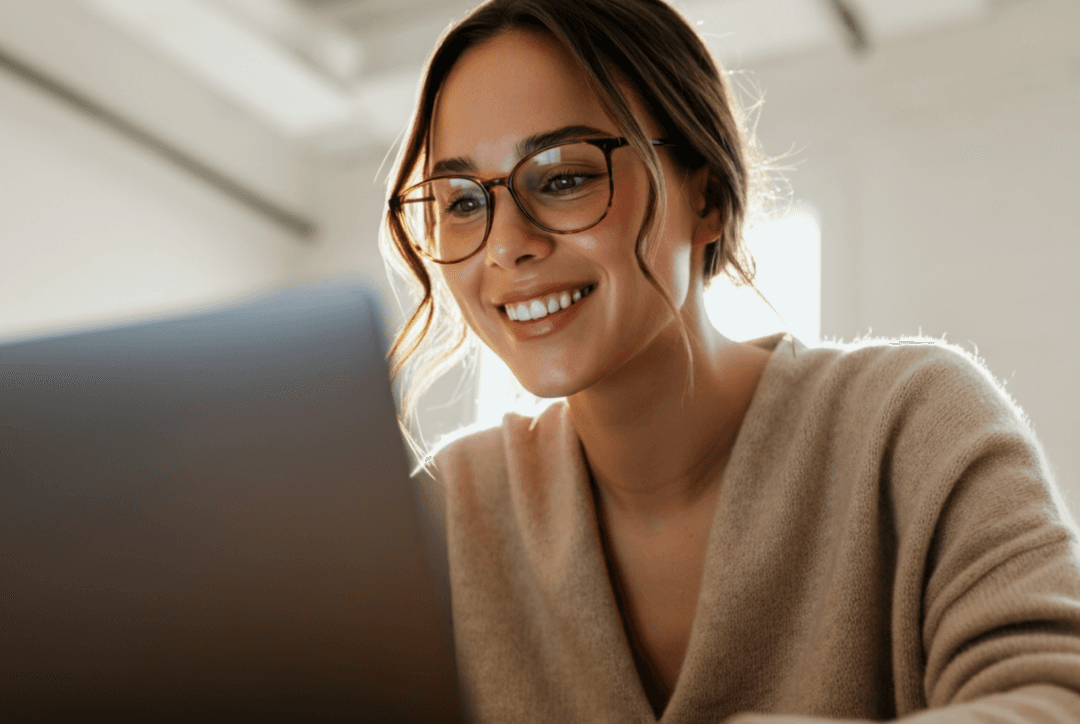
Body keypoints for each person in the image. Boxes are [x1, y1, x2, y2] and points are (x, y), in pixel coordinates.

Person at [378, 1, 1080, 722]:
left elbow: (1053, 701)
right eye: (461, 201)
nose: (505, 245)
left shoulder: (912, 425)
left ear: (705, 194)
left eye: (562, 178)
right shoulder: (444, 515)